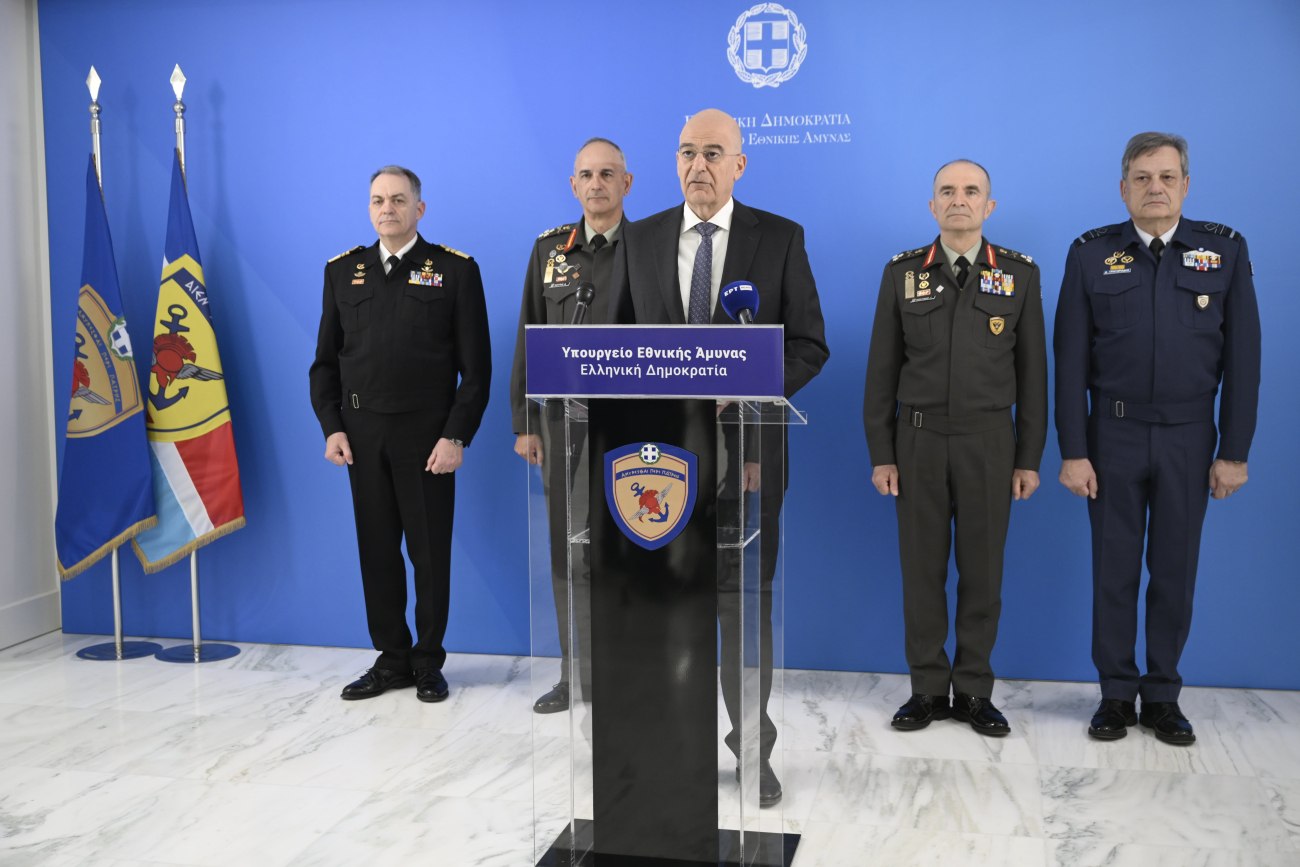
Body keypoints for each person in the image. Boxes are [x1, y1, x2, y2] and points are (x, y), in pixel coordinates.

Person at [620, 108, 829, 806]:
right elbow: (613, 342)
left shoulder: (781, 237)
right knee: (666, 609)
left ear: (740, 165)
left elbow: (809, 345)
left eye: (713, 153)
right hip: (656, 463)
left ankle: (752, 751)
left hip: (749, 457)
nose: (698, 165)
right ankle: (673, 747)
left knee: (743, 610)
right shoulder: (640, 237)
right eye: (687, 152)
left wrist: (744, 384)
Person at [1054, 133, 1260, 745]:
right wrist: (1073, 450)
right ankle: (1116, 694)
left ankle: (1164, 695)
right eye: (1142, 178)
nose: (1155, 188)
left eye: (1167, 177)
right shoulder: (1091, 254)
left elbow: (1243, 359)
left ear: (1186, 185)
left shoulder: (1224, 251)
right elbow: (1068, 361)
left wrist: (1234, 451)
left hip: (1190, 438)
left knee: (1174, 570)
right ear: (1123, 189)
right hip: (1112, 435)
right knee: (1113, 570)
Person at [864, 160, 1047, 737]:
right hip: (917, 441)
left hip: (990, 442)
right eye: (947, 191)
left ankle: (973, 691)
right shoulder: (902, 274)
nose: (959, 200)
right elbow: (880, 371)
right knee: (921, 571)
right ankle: (925, 689)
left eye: (971, 191)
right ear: (932, 205)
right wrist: (882, 452)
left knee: (983, 573)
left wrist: (1028, 457)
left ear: (989, 206)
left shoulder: (1018, 274)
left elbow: (1034, 375)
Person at [309, 165, 491, 703]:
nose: (387, 208)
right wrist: (332, 426)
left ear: (419, 208)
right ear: (370, 209)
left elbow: (476, 370)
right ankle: (391, 659)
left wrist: (456, 436)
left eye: (398, 199)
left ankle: (428, 662)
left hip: (427, 437)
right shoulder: (343, 271)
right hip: (362, 436)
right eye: (377, 200)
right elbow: (325, 364)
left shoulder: (454, 271)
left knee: (429, 555)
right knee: (377, 551)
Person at [509, 138, 633, 713]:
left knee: (630, 548)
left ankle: (629, 669)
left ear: (626, 183)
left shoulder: (650, 247)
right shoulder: (548, 251)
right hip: (561, 424)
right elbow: (528, 333)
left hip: (631, 424)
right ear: (573, 184)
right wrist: (525, 422)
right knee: (570, 552)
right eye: (586, 174)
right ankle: (574, 673)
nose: (596, 184)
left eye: (608, 174)